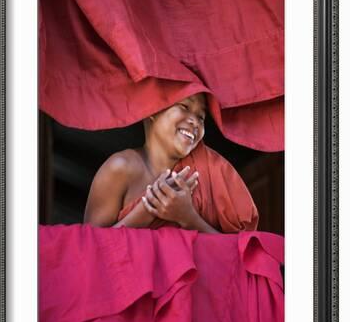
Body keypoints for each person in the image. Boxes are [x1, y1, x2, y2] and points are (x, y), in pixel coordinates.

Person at [84, 93, 258, 233]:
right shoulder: (120, 168)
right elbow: (89, 254)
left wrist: (188, 218)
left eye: (201, 117)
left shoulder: (208, 171)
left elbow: (235, 259)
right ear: (153, 108)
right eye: (184, 106)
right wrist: (147, 211)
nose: (194, 121)